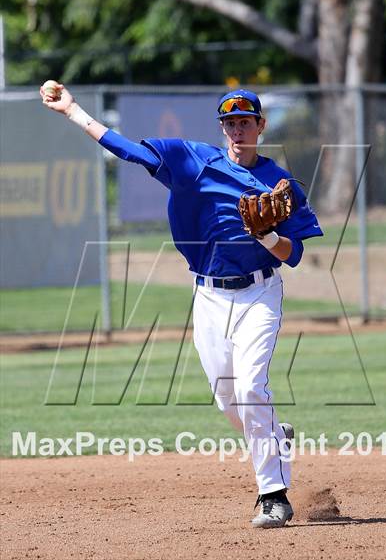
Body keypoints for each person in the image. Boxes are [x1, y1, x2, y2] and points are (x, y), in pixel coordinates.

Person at [40, 84, 323, 528]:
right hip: (209, 296)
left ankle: (273, 496)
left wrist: (268, 237)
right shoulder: (195, 162)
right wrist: (73, 111)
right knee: (228, 401)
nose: (236, 129)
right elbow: (128, 151)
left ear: (260, 126)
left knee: (250, 389)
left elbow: (297, 254)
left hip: (258, 293)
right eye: (229, 123)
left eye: (245, 121)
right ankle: (272, 436)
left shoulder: (279, 184)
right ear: (222, 128)